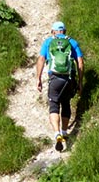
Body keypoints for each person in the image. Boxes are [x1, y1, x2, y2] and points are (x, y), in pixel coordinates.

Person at [36, 21, 84, 152]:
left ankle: (57, 133)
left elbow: (41, 59)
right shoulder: (72, 42)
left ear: (53, 31)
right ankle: (64, 131)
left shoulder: (48, 42)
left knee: (54, 105)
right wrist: (80, 81)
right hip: (69, 79)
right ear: (65, 31)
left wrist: (38, 78)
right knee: (66, 103)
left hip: (54, 79)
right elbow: (79, 61)